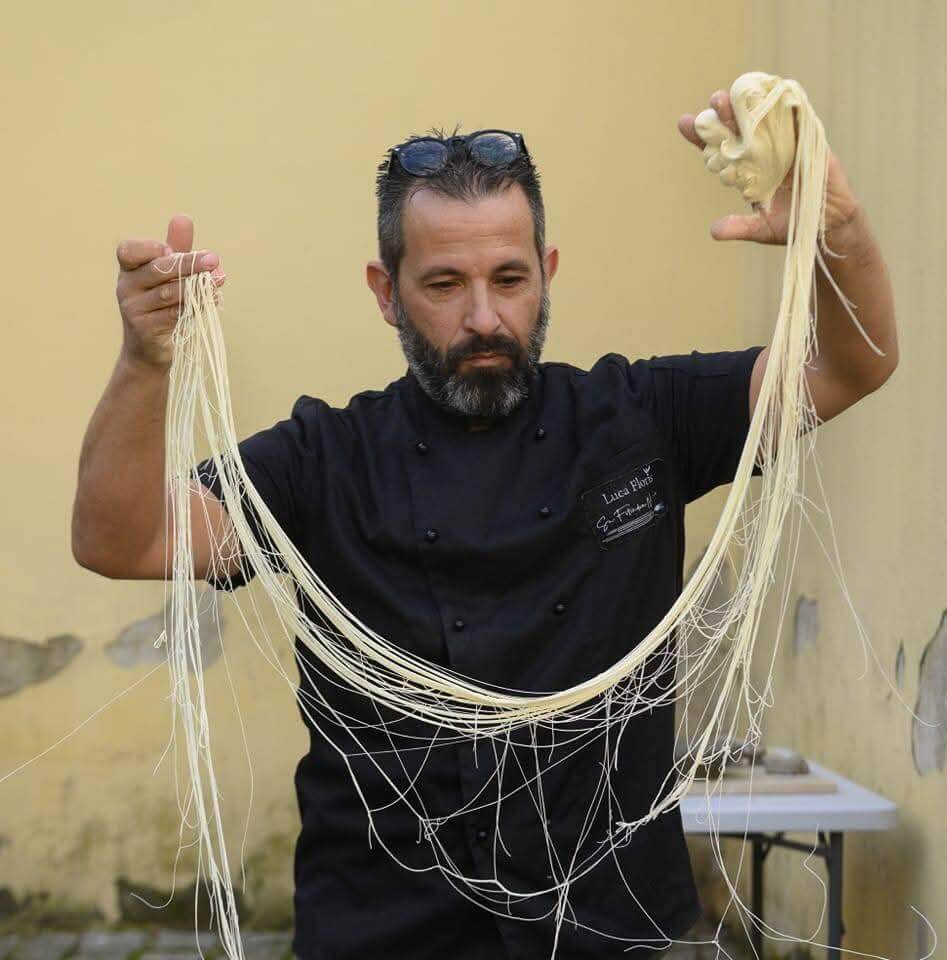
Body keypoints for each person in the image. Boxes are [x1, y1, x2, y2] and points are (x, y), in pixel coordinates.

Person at [73, 91, 898, 959]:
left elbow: (853, 363)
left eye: (509, 279)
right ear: (386, 293)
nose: (483, 319)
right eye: (444, 285)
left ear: (547, 271)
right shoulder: (324, 461)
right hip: (382, 931)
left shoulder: (640, 420)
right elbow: (123, 539)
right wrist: (145, 360)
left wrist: (834, 228)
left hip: (606, 926)